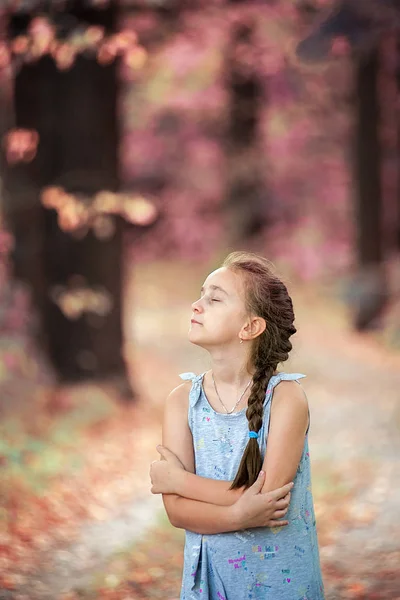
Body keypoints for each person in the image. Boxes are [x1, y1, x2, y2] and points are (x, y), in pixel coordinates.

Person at [149, 251, 325, 600]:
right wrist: (240, 514)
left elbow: (267, 499)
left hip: (280, 585)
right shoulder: (182, 401)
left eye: (214, 299)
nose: (196, 305)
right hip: (211, 585)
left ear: (250, 326)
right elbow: (177, 510)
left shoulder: (286, 399)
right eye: (201, 294)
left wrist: (179, 480)